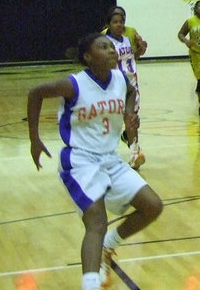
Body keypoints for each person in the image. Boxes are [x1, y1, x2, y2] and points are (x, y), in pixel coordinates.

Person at [27, 33, 163, 290]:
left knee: (153, 206)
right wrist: (34, 139)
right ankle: (89, 285)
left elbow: (131, 92)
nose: (111, 50)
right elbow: (35, 93)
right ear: (88, 57)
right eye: (103, 47)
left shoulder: (120, 79)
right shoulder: (74, 85)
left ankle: (109, 246)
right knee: (96, 221)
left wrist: (127, 112)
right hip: (80, 161)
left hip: (110, 158)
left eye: (112, 46)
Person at [104, 7, 145, 169]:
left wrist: (140, 50)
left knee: (133, 119)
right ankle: (104, 154)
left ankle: (134, 153)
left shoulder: (127, 39)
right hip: (114, 85)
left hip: (131, 85)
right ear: (108, 24)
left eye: (121, 22)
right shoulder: (105, 43)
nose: (119, 25)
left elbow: (131, 57)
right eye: (115, 22)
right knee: (113, 122)